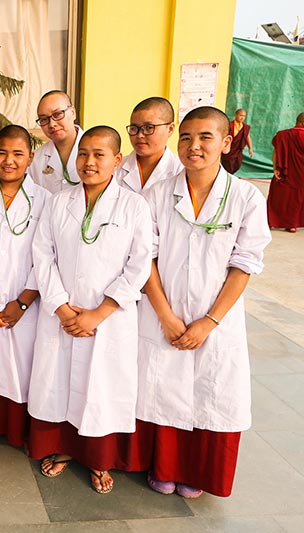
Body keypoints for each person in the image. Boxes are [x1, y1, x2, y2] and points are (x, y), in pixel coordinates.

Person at [138, 106, 271, 498]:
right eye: (186, 137)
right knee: (163, 388)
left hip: (217, 319)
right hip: (164, 312)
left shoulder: (246, 197)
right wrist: (165, 315)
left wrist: (209, 321)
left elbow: (245, 264)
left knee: (212, 392)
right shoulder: (157, 194)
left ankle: (198, 473)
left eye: (205, 137)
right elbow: (145, 258)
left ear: (226, 142)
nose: (193, 146)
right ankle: (164, 467)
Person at [28, 126, 153, 494]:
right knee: (61, 384)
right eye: (83, 154)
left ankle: (99, 460)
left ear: (117, 160)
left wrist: (99, 313)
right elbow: (42, 255)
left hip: (109, 319)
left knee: (102, 386)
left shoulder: (134, 206)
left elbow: (140, 265)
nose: (89, 162)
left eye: (100, 154)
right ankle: (66, 448)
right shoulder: (58, 201)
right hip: (62, 315)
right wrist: (61, 307)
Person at [0, 125, 50, 449]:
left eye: (18, 154)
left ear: (31, 157)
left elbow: (48, 257)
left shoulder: (45, 200)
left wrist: (24, 301)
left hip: (24, 302)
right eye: (2, 152)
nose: (9, 160)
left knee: (21, 367)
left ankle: (17, 432)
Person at [117, 97, 184, 193]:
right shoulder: (114, 168)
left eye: (149, 127)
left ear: (170, 129)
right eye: (134, 128)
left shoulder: (182, 170)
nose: (139, 135)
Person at [29, 90, 84, 194]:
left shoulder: (98, 151)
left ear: (73, 112)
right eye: (44, 119)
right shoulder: (35, 160)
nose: (52, 124)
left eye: (57, 114)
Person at [268, 112, 304, 232]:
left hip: (284, 172)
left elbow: (276, 152)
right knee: (297, 198)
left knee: (279, 196)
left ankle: (271, 221)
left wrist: (275, 168)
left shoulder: (282, 135)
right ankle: (292, 225)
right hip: (301, 173)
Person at [221, 109, 253, 174]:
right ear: (236, 115)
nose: (242, 118)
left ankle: (230, 174)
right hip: (229, 150)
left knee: (238, 164)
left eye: (244, 116)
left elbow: (247, 137)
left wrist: (250, 148)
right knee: (228, 165)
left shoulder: (245, 127)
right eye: (241, 115)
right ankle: (227, 175)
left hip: (238, 150)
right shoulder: (229, 125)